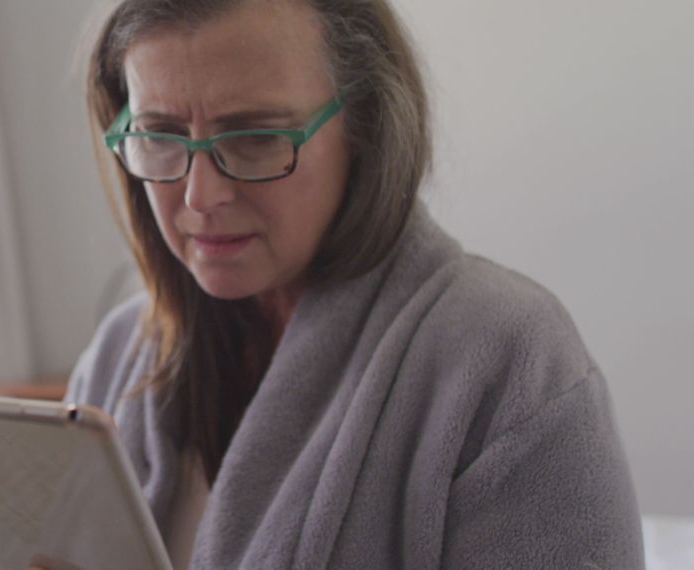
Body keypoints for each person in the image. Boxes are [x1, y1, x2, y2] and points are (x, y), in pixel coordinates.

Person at [66, 0, 644, 568]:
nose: (200, 197)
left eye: (257, 137)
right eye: (160, 136)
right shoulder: (117, 358)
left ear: (365, 126)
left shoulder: (511, 363)